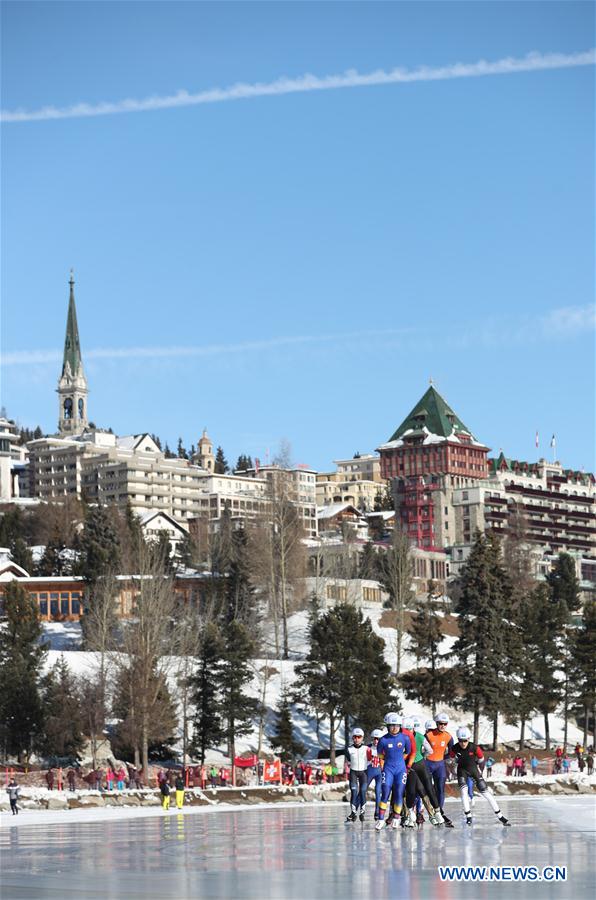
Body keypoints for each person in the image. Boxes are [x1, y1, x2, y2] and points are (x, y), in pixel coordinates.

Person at [451, 727, 510, 827]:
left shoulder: (474, 747)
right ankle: (468, 816)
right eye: (461, 741)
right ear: (458, 740)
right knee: (464, 792)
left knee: (486, 793)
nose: (463, 743)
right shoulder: (455, 747)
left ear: (468, 739)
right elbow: (451, 758)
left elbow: (481, 759)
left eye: (465, 741)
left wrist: (479, 769)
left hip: (474, 770)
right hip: (462, 771)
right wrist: (454, 764)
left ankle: (500, 816)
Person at [403, 717, 444, 828]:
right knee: (412, 791)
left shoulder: (419, 737)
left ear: (413, 729)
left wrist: (422, 756)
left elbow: (430, 750)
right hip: (413, 767)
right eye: (406, 730)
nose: (408, 733)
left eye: (409, 730)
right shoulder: (404, 738)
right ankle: (410, 814)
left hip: (418, 765)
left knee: (427, 789)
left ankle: (436, 812)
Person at [375, 712, 411, 831]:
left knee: (399, 792)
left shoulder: (405, 738)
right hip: (388, 769)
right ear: (388, 726)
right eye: (392, 725)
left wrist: (401, 760)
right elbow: (380, 754)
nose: (394, 728)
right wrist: (387, 762)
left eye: (397, 725)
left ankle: (396, 818)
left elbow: (408, 752)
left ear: (400, 726)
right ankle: (380, 819)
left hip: (401, 769)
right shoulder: (383, 740)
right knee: (385, 792)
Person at [424, 712, 455, 828]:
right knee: (427, 789)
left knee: (440, 790)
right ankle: (421, 812)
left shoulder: (448, 736)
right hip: (428, 764)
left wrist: (445, 758)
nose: (442, 726)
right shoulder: (429, 735)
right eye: (440, 724)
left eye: (445, 724)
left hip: (440, 766)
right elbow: (420, 749)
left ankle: (439, 812)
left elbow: (452, 751)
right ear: (436, 723)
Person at [345, 727, 369, 823]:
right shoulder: (348, 749)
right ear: (352, 738)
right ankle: (353, 813)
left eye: (359, 737)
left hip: (363, 773)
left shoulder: (366, 749)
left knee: (363, 792)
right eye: (355, 737)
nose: (357, 739)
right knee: (354, 793)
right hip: (353, 772)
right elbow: (349, 760)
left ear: (362, 738)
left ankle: (362, 812)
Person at [367, 729, 384, 820]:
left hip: (379, 773)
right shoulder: (368, 747)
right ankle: (354, 811)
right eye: (374, 739)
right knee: (362, 789)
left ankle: (377, 811)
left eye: (378, 739)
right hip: (370, 771)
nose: (376, 741)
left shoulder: (384, 748)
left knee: (378, 792)